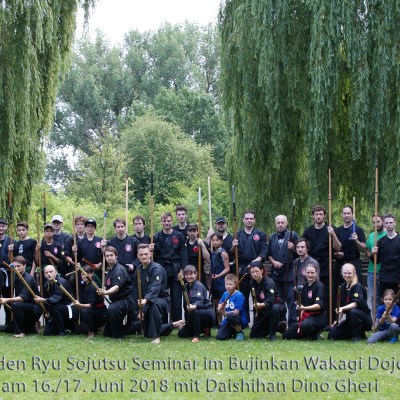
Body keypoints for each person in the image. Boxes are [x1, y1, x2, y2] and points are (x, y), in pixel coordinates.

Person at [133, 244, 179, 344]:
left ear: (150, 254)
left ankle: (156, 337)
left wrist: (145, 300)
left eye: (146, 254)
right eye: (141, 254)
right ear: (138, 256)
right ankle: (173, 325)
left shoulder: (156, 269)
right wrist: (139, 310)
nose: (144, 256)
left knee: (152, 304)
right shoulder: (138, 270)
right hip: (145, 302)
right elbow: (136, 291)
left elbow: (154, 288)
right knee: (146, 333)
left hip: (162, 300)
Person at [302, 205, 340, 318]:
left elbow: (338, 248)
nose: (318, 216)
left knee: (329, 294)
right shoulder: (308, 231)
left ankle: (330, 319)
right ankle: (312, 317)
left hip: (327, 265)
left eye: (321, 214)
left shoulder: (330, 229)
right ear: (313, 216)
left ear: (324, 215)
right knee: (313, 293)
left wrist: (333, 235)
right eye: (316, 214)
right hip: (312, 266)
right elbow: (303, 246)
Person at [231, 210, 267, 321]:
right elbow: (232, 254)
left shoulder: (260, 234)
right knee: (243, 295)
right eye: (247, 218)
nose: (249, 220)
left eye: (251, 218)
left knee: (258, 294)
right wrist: (233, 246)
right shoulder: (237, 235)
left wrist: (255, 263)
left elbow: (264, 251)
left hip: (256, 268)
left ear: (254, 220)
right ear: (243, 220)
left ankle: (259, 320)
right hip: (242, 269)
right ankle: (244, 319)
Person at [152, 212, 188, 322]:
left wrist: (182, 270)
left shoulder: (179, 236)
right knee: (161, 295)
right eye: (164, 221)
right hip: (161, 268)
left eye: (168, 221)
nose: (166, 223)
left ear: (172, 222)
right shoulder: (156, 237)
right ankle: (162, 321)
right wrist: (151, 249)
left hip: (175, 268)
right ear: (161, 222)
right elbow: (154, 256)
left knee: (176, 297)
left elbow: (183, 254)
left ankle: (177, 321)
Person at [267, 214, 300, 326]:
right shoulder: (272, 237)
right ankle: (281, 323)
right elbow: (268, 254)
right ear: (275, 224)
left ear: (286, 223)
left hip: (289, 273)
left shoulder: (293, 235)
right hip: (276, 274)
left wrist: (293, 248)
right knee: (279, 300)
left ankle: (292, 323)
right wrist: (274, 262)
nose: (280, 225)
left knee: (291, 299)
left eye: (282, 222)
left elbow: (301, 251)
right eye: (278, 223)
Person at [328, 263, 372, 342]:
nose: (347, 275)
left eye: (349, 273)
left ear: (354, 273)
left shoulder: (357, 286)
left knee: (353, 311)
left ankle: (357, 336)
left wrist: (342, 308)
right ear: (342, 273)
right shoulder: (342, 287)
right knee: (332, 335)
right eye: (345, 273)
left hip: (364, 319)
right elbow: (340, 307)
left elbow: (356, 304)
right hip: (351, 320)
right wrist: (338, 321)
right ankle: (359, 333)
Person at [0, 256, 42, 338]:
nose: (16, 268)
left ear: (24, 265)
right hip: (24, 308)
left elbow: (22, 298)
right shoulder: (16, 279)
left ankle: (20, 332)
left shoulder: (28, 279)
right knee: (7, 329)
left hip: (34, 308)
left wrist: (7, 299)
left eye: (18, 266)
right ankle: (32, 327)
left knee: (16, 304)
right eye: (14, 266)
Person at [98, 246, 134, 339]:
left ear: (116, 256)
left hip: (125, 300)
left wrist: (105, 292)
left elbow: (116, 287)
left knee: (113, 309)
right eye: (107, 256)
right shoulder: (111, 269)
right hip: (116, 301)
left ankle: (119, 336)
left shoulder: (118, 269)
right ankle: (130, 328)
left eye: (111, 255)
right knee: (107, 333)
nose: (109, 258)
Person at [283, 264, 327, 340]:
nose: (310, 275)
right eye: (308, 272)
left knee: (305, 325)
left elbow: (318, 305)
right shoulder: (304, 287)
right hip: (307, 317)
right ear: (305, 273)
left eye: (312, 273)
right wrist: (300, 311)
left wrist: (304, 308)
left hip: (318, 317)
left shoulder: (319, 286)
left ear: (316, 273)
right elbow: (302, 305)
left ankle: (315, 334)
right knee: (287, 335)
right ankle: (307, 333)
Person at [35, 264, 78, 336]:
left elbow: (55, 299)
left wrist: (43, 300)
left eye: (51, 272)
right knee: (47, 332)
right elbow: (46, 300)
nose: (49, 274)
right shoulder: (47, 284)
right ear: (44, 275)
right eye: (46, 273)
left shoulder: (61, 282)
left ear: (56, 272)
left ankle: (62, 331)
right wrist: (48, 312)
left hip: (69, 309)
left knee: (55, 307)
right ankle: (65, 328)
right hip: (57, 311)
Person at [249, 261, 287, 341]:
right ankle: (279, 326)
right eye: (252, 272)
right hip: (264, 309)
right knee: (254, 335)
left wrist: (261, 305)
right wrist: (257, 312)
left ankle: (272, 334)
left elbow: (271, 299)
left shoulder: (269, 282)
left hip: (276, 306)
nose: (255, 274)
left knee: (274, 309)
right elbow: (254, 299)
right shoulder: (252, 283)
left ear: (262, 271)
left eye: (256, 271)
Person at [177, 265, 215, 342]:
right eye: (186, 274)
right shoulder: (185, 286)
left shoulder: (198, 286)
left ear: (196, 274)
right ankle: (204, 329)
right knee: (182, 334)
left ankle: (196, 336)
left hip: (207, 313)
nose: (189, 277)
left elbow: (199, 301)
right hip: (195, 315)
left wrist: (194, 306)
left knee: (195, 311)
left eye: (191, 274)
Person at [334, 205, 366, 284]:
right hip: (341, 263)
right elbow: (335, 248)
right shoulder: (338, 230)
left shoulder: (358, 229)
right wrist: (337, 254)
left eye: (348, 213)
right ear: (342, 215)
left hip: (354, 262)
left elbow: (363, 249)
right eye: (344, 213)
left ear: (352, 214)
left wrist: (357, 241)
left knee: (355, 286)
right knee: (340, 286)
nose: (346, 215)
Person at [73, 265, 107, 338]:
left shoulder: (93, 286)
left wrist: (80, 305)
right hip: (92, 311)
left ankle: (91, 332)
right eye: (82, 274)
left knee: (85, 311)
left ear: (91, 274)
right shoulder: (86, 285)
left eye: (86, 274)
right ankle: (97, 328)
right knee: (78, 330)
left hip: (99, 312)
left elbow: (91, 305)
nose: (84, 276)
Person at [371, 214, 400, 294]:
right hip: (384, 276)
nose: (389, 225)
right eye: (387, 223)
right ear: (384, 224)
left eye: (391, 222)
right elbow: (376, 261)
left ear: (395, 223)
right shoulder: (380, 242)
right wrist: (373, 253)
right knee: (384, 299)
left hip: (398, 276)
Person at [216, 274, 248, 340]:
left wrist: (224, 312)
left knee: (231, 316)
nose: (228, 286)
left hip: (239, 320)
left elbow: (236, 312)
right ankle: (233, 332)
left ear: (236, 284)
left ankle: (239, 332)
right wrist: (220, 307)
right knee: (220, 337)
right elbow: (220, 304)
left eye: (231, 284)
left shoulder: (239, 295)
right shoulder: (225, 294)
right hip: (228, 320)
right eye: (226, 284)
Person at [364, 214, 386, 311]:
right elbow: (366, 249)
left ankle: (385, 318)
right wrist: (371, 255)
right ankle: (375, 318)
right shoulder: (371, 235)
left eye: (378, 221)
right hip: (372, 271)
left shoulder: (388, 234)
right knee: (373, 297)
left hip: (385, 271)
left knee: (385, 297)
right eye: (374, 222)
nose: (376, 224)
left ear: (383, 222)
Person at [210, 232, 230, 324]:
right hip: (214, 281)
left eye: (217, 240)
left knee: (223, 302)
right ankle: (218, 322)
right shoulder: (213, 253)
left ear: (221, 241)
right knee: (215, 301)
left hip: (221, 281)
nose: (215, 242)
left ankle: (224, 321)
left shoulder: (223, 253)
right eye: (213, 240)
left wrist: (218, 275)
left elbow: (227, 268)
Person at [0, 218, 16, 324]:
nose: (1, 228)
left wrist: (11, 251)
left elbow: (16, 259)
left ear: (6, 227)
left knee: (8, 298)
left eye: (3, 226)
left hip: (8, 272)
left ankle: (9, 323)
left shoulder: (12, 241)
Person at [186, 223, 210, 287]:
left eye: (194, 231)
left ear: (197, 231)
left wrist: (202, 245)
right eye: (190, 231)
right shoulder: (184, 244)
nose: (192, 233)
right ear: (187, 232)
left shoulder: (203, 243)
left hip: (199, 273)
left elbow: (207, 258)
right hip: (187, 274)